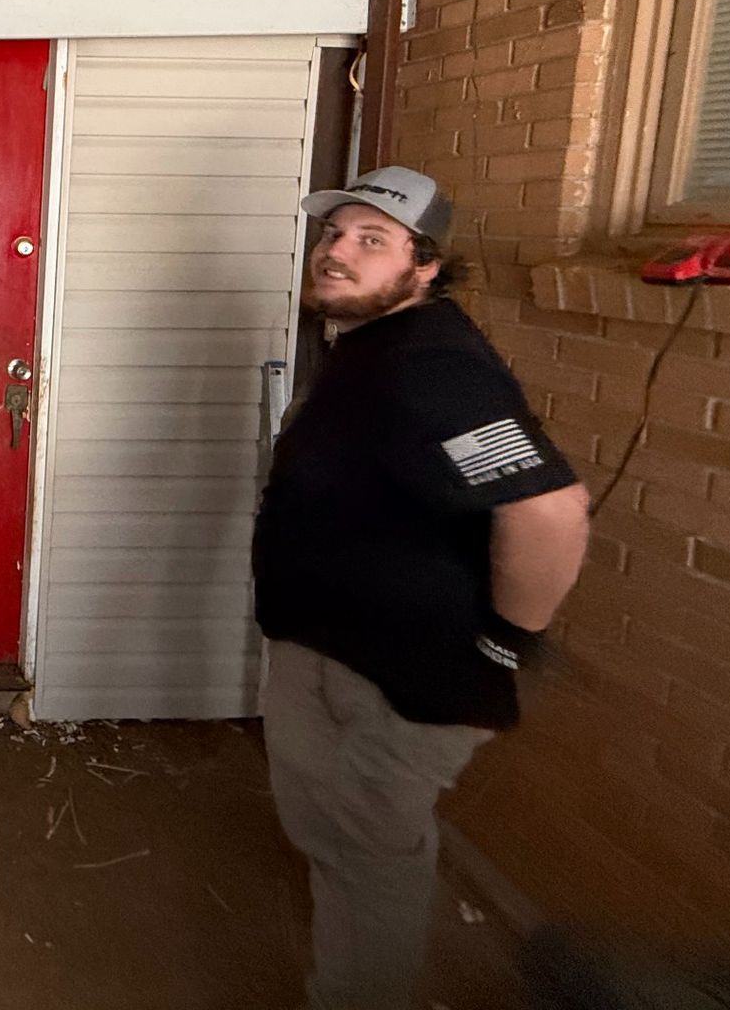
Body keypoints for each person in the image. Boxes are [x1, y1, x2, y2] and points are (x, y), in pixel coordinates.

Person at [253, 165, 593, 1010]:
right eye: (335, 233)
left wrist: (506, 642)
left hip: (408, 676)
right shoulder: (368, 348)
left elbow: (549, 510)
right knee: (332, 837)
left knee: (369, 853)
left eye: (373, 240)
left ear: (426, 264)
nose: (338, 252)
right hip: (328, 648)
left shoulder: (434, 365)